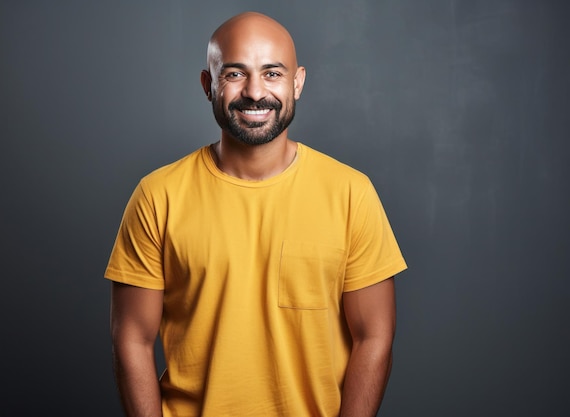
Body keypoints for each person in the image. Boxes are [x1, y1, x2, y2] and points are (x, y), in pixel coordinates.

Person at [106, 11, 407, 417]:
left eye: (272, 73)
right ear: (208, 85)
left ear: (297, 82)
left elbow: (375, 336)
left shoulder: (351, 193)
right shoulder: (157, 196)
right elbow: (132, 339)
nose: (254, 91)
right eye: (234, 74)